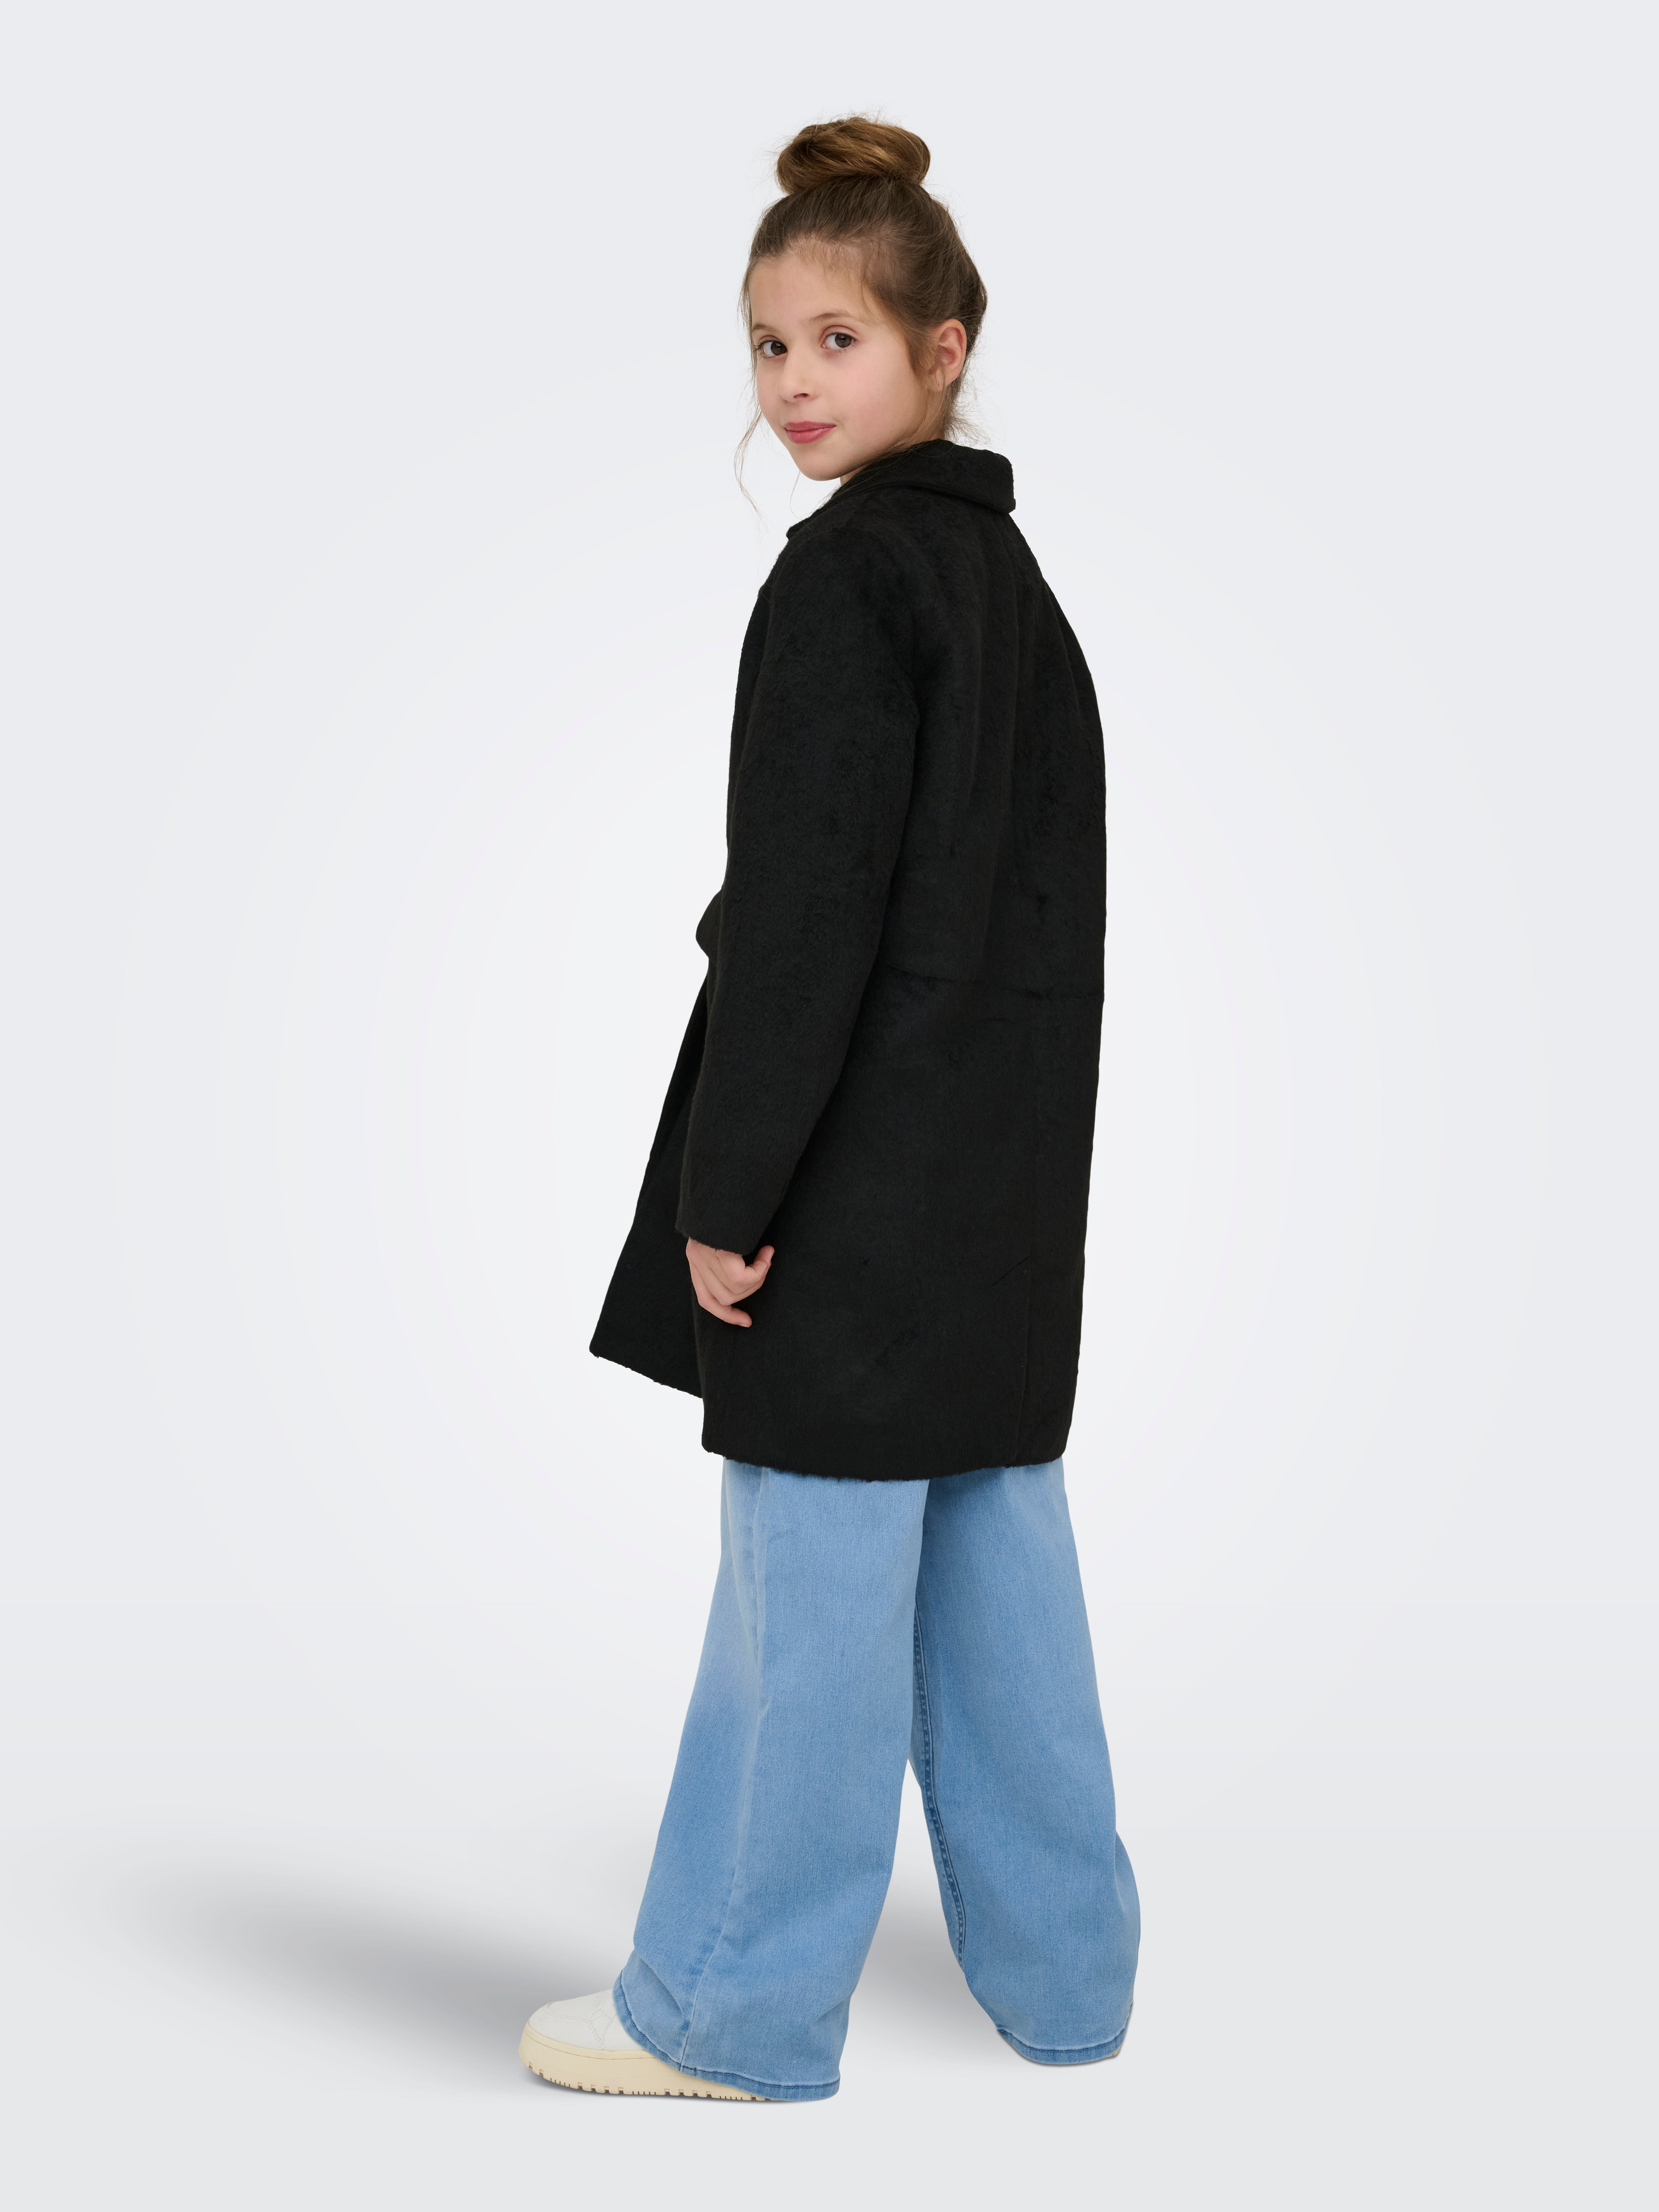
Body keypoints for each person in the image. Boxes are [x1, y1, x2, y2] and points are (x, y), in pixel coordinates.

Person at [520, 115, 1139, 2103]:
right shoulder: (1012, 589)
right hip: (999, 1189)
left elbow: (805, 920)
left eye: (837, 341)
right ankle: (1069, 1984)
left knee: (806, 1604)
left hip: (855, 1189)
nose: (793, 384)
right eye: (769, 346)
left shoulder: (847, 580)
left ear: (944, 349)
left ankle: (732, 2012)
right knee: (1002, 1573)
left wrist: (732, 1189)